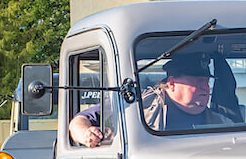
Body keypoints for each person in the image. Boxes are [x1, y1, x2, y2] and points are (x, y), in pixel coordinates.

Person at [68, 52, 231, 146]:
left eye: (207, 83)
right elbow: (80, 120)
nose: (206, 88)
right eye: (198, 82)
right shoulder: (138, 102)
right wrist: (85, 134)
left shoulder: (221, 122)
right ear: (172, 83)